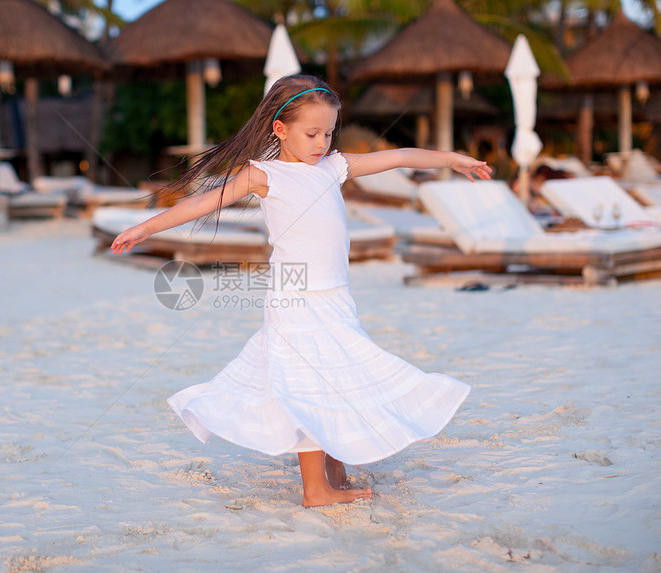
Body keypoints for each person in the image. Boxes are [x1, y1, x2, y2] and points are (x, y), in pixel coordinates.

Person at [111, 75, 492, 508]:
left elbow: (397, 157)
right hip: (295, 297)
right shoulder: (264, 174)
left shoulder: (332, 167)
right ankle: (315, 489)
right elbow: (201, 203)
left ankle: (334, 470)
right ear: (280, 129)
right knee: (308, 383)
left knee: (334, 379)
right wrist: (145, 227)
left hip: (335, 297)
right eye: (312, 133)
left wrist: (450, 159)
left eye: (329, 133)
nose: (321, 143)